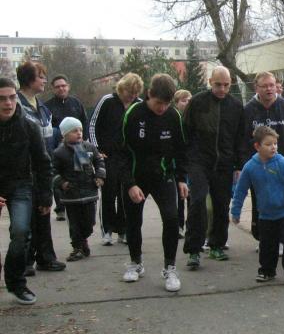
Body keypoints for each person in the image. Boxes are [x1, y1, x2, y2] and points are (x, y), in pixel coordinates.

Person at [119, 74, 188, 292]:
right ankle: (135, 262)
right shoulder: (133, 114)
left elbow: (180, 150)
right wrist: (130, 184)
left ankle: (170, 268)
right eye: (159, 103)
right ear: (149, 94)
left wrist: (181, 179)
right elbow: (121, 153)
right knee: (133, 220)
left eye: (167, 104)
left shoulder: (173, 116)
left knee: (171, 218)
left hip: (163, 176)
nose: (162, 108)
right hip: (136, 177)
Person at [182, 66, 245, 268]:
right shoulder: (197, 102)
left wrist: (239, 165)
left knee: (221, 204)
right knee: (198, 201)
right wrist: (188, 159)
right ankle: (194, 249)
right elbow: (186, 131)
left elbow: (240, 138)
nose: (222, 89)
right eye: (218, 84)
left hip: (224, 163)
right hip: (199, 161)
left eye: (226, 85)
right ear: (210, 82)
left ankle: (217, 244)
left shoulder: (236, 106)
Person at [231, 126, 284, 286]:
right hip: (266, 214)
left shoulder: (282, 162)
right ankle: (267, 271)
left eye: (275, 143)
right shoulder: (250, 166)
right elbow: (240, 190)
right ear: (257, 146)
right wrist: (235, 211)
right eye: (268, 144)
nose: (273, 147)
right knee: (267, 244)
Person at [0, 77, 52, 304]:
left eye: (12, 97)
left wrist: (46, 196)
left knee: (21, 232)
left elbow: (43, 163)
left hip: (20, 185)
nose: (8, 103)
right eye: (2, 99)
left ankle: (16, 283)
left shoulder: (29, 127)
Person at [16, 61, 66, 274]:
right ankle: (25, 261)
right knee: (25, 219)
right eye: (41, 76)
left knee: (43, 212)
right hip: (22, 171)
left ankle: (45, 258)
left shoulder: (43, 108)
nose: (45, 80)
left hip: (43, 169)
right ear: (29, 80)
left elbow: (49, 141)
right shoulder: (15, 105)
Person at [242, 71, 284, 238]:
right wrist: (244, 165)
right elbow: (243, 140)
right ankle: (263, 238)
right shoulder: (248, 110)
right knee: (261, 203)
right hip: (259, 167)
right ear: (256, 88)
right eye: (264, 86)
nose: (269, 89)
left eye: (272, 85)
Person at [89, 73, 144, 246]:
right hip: (108, 155)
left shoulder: (139, 105)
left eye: (136, 93)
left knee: (125, 194)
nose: (132, 96)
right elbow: (93, 125)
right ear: (122, 88)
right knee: (108, 193)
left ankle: (123, 230)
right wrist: (97, 150)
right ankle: (107, 230)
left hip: (128, 157)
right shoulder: (107, 101)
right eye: (130, 92)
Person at [52, 117, 105, 262]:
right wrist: (62, 183)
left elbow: (99, 161)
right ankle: (77, 247)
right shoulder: (59, 152)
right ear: (65, 134)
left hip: (89, 192)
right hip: (71, 195)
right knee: (74, 224)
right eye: (74, 131)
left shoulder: (89, 147)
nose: (79, 133)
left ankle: (83, 240)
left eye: (80, 130)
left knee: (89, 223)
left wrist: (100, 176)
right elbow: (53, 171)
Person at [45, 74, 88, 221]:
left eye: (63, 86)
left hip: (79, 146)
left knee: (82, 173)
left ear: (68, 87)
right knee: (60, 176)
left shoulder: (76, 103)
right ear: (53, 89)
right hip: (58, 148)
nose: (61, 88)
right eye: (57, 86)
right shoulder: (48, 106)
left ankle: (82, 201)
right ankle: (61, 208)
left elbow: (84, 121)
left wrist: (85, 141)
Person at [173, 89, 192, 239]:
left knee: (191, 197)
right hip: (177, 163)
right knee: (179, 196)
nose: (187, 103)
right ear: (176, 103)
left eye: (189, 100)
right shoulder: (174, 118)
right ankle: (178, 225)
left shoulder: (194, 118)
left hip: (192, 162)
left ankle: (190, 225)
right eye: (183, 100)